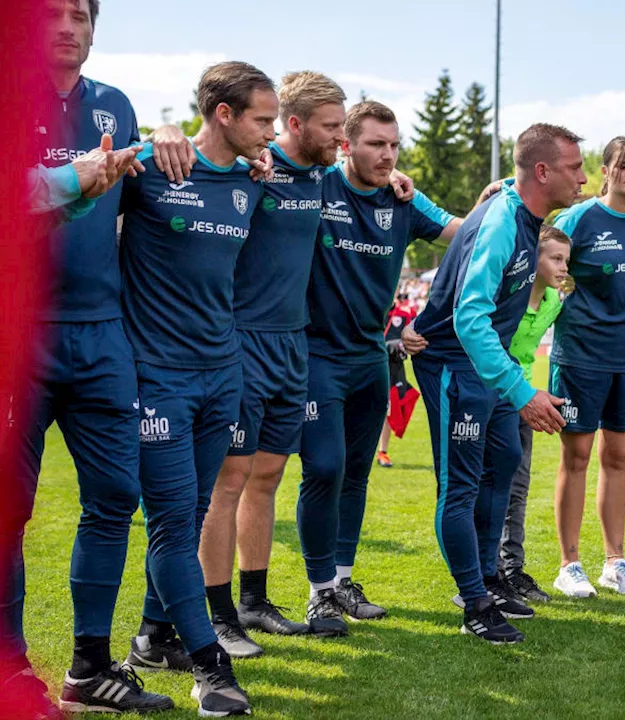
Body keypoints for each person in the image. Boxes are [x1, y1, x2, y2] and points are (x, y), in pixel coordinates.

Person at [5, 3, 167, 715]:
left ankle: (90, 669)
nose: (68, 24)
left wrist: (180, 142)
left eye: (81, 13)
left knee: (114, 499)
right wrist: (75, 178)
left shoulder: (114, 105)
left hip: (102, 335)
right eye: (53, 12)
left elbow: (142, 189)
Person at [116, 61, 277, 717]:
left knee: (190, 515)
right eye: (262, 120)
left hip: (223, 375)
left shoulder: (250, 179)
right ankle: (211, 670)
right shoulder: (154, 168)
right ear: (222, 115)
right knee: (173, 524)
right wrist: (155, 131)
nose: (270, 133)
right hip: (158, 379)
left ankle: (154, 636)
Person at [192, 71, 347, 662]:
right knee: (226, 483)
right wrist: (164, 135)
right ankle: (218, 613)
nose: (341, 137)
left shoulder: (322, 177)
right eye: (331, 127)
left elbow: (372, 181)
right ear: (294, 124)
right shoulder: (251, 168)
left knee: (268, 478)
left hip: (292, 347)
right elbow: (200, 158)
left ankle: (255, 601)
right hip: (240, 345)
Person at [410, 123, 584, 643]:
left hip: (488, 366)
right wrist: (521, 390)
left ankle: (491, 578)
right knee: (460, 486)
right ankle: (473, 602)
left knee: (504, 462)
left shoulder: (527, 216)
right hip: (454, 365)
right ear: (542, 171)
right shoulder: (502, 221)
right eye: (574, 168)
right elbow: (469, 317)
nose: (581, 177)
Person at [296, 101, 461, 634]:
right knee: (323, 468)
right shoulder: (318, 183)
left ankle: (342, 580)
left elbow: (464, 233)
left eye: (393, 145)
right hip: (315, 354)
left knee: (357, 474)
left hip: (371, 356)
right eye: (376, 144)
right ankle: (318, 592)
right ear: (347, 144)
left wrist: (507, 197)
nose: (387, 155)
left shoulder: (404, 199)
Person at [550, 136, 625, 598]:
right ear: (607, 171)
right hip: (580, 358)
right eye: (624, 166)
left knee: (617, 458)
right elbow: (547, 268)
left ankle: (615, 560)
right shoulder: (577, 219)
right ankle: (569, 564)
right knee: (575, 459)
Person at [498, 226, 569, 604]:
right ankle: (488, 572)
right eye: (555, 259)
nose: (563, 267)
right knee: (492, 487)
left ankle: (513, 570)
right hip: (495, 399)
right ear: (533, 259)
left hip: (527, 403)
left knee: (519, 489)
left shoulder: (556, 302)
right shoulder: (506, 296)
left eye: (566, 261)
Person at [377, 293, 420, 469]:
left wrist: (403, 346)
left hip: (393, 370)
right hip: (366, 366)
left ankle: (382, 451)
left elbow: (414, 338)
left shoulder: (404, 315)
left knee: (388, 410)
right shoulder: (371, 308)